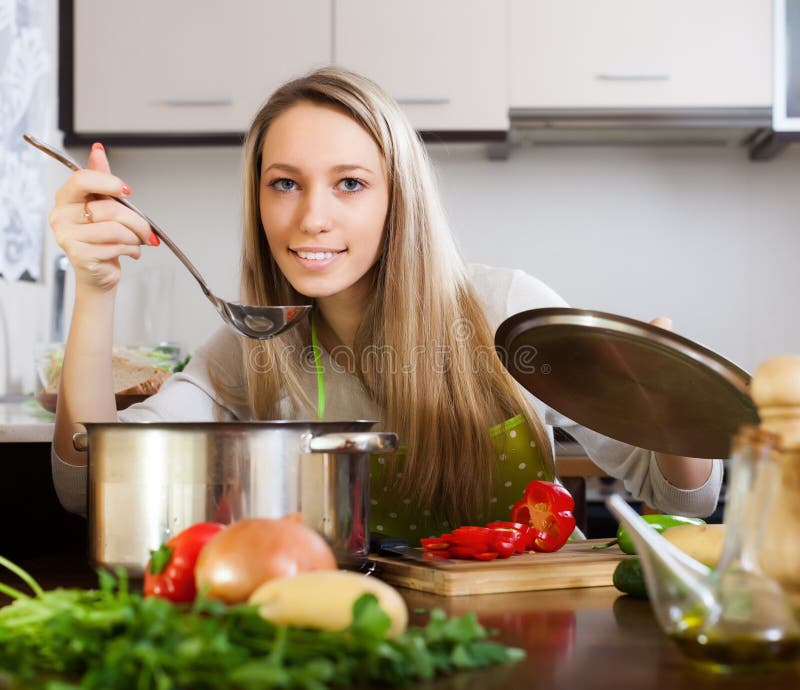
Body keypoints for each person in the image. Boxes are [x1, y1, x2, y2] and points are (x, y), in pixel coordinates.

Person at [49, 67, 722, 540]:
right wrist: (95, 288)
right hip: (349, 640)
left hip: (522, 638)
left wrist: (670, 402)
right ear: (258, 200)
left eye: (349, 183)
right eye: (285, 183)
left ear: (397, 197)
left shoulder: (505, 313)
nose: (311, 216)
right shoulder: (250, 348)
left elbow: (683, 498)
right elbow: (90, 484)